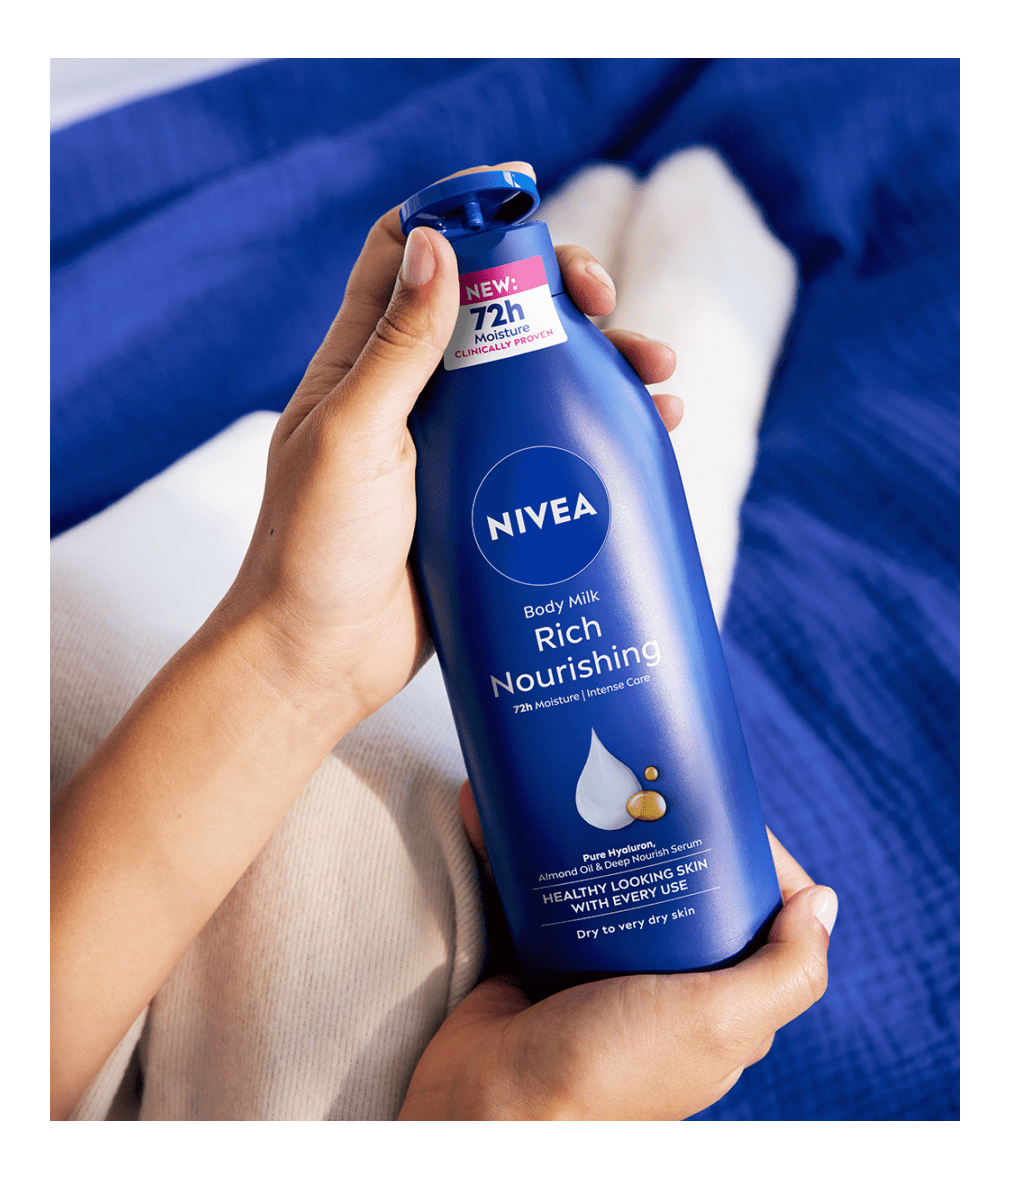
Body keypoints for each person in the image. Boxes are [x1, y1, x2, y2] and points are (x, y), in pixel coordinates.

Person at [50, 162, 837, 1122]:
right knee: (668, 501)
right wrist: (502, 1111)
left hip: (213, 700)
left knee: (492, 473)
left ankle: (531, 311)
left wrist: (296, 641)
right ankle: (691, 298)